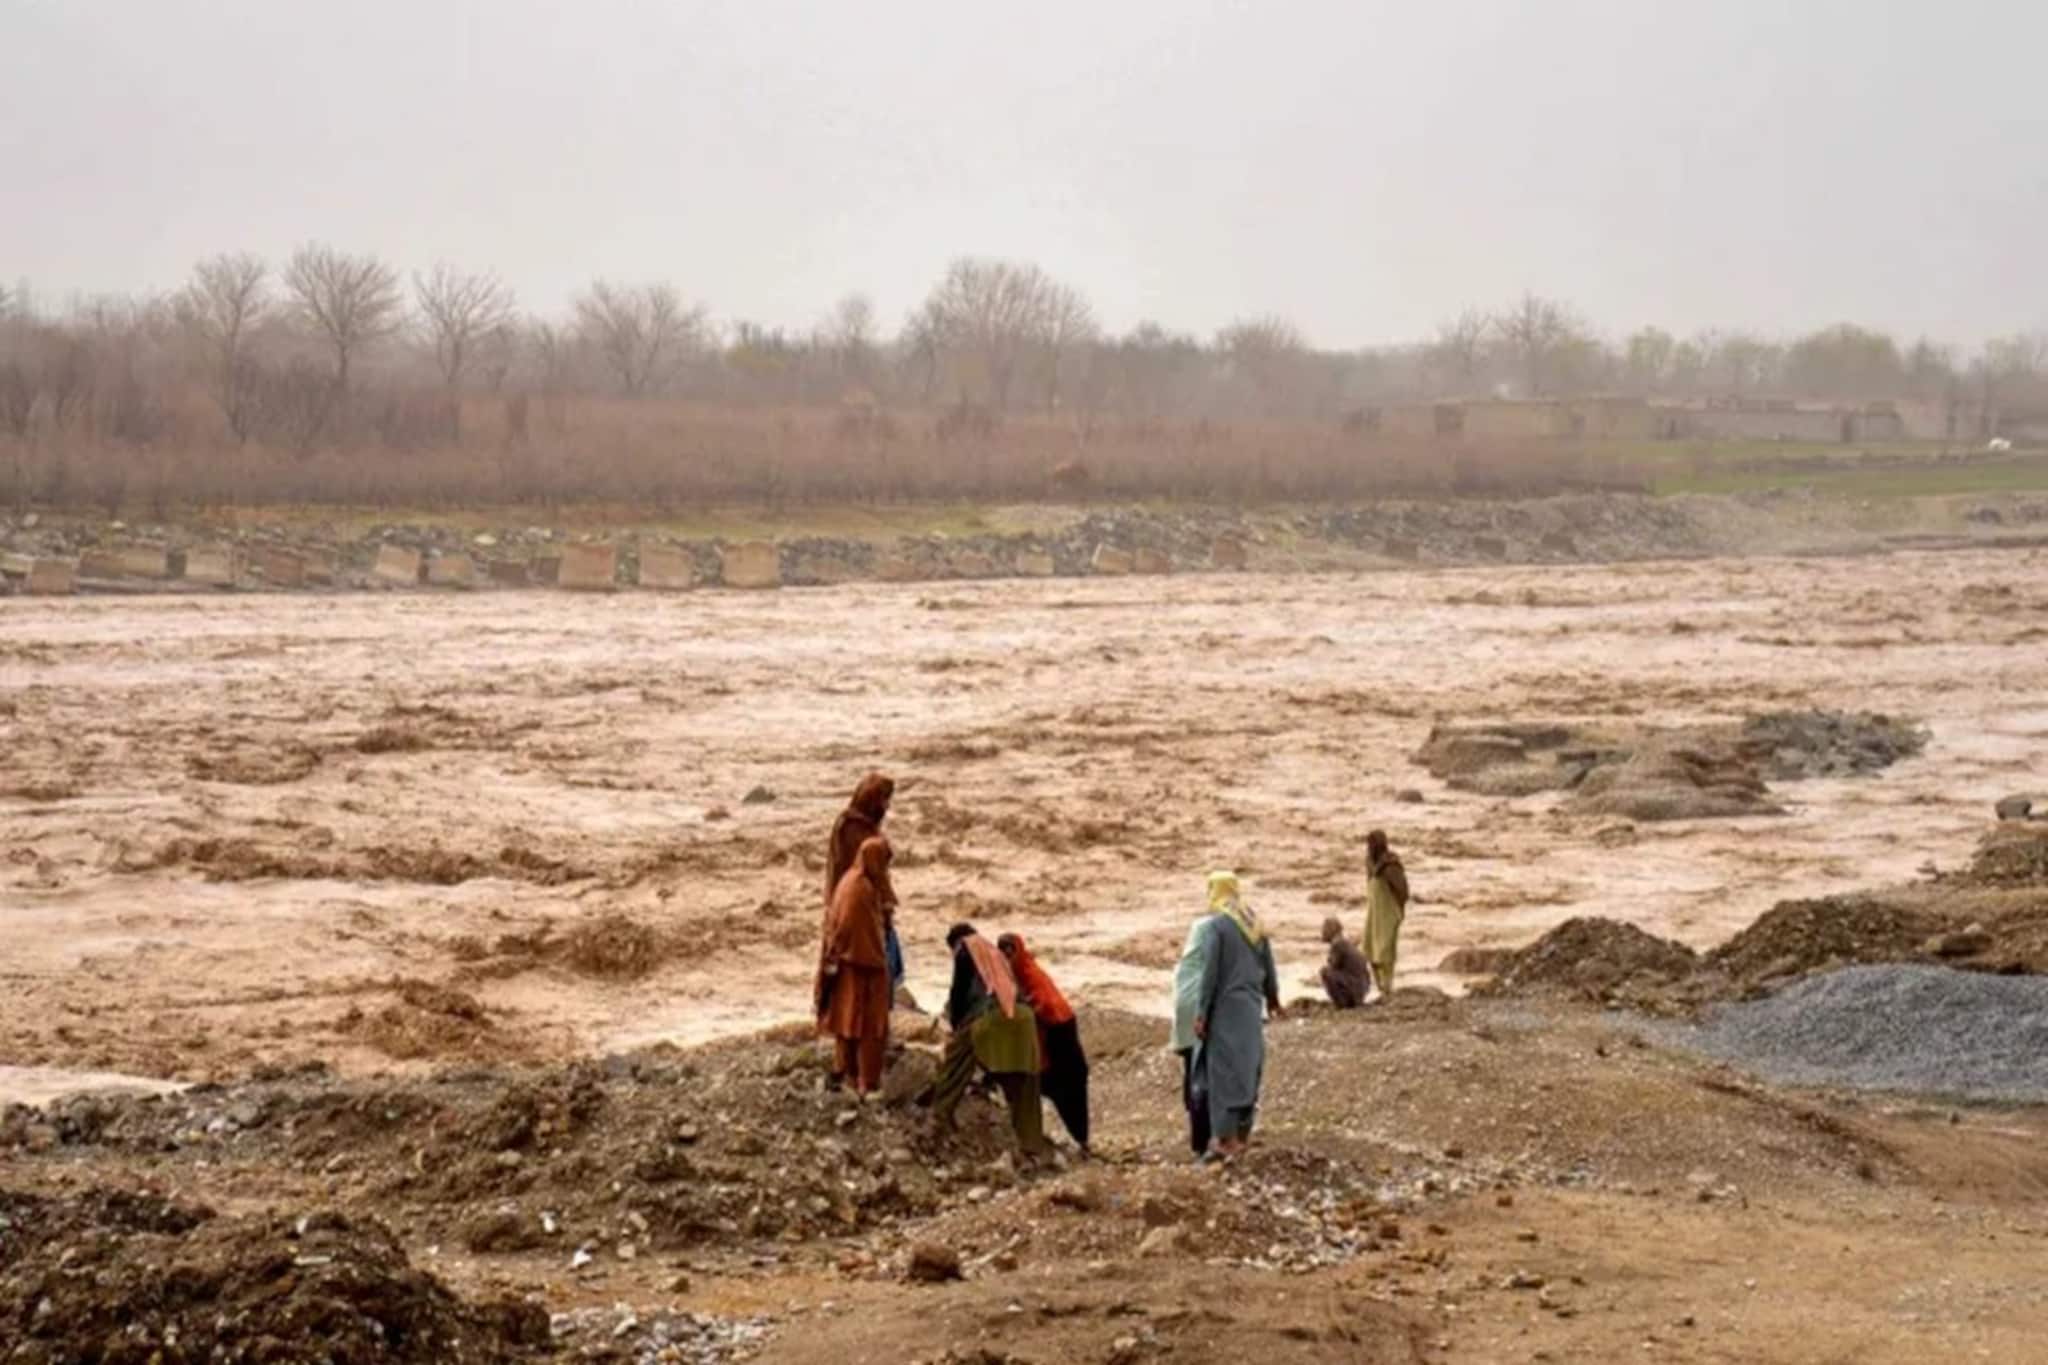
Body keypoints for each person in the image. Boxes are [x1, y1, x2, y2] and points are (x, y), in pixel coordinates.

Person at [929, 923, 1048, 1157]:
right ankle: (1032, 1146)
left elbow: (959, 993)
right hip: (1024, 1020)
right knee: (1023, 1084)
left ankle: (938, 1120)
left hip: (992, 1015)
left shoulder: (967, 947)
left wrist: (956, 1026)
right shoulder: (997, 954)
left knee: (956, 1063)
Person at [1193, 871, 1281, 1159]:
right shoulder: (1253, 923)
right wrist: (1273, 999)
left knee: (1222, 1074)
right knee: (1247, 1070)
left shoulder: (1215, 926)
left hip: (1225, 1010)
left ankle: (1225, 1139)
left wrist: (1201, 1012)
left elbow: (1209, 974)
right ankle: (1243, 1136)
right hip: (1251, 1008)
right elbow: (1269, 965)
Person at [815, 836, 893, 1098]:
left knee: (848, 1023)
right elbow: (857, 930)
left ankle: (848, 1076)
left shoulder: (851, 880)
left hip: (847, 966)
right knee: (870, 1028)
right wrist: (879, 959)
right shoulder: (859, 890)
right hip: (862, 969)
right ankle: (867, 1083)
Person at [998, 932, 1090, 1155]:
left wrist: (1028, 1009)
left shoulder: (1030, 974)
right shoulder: (1016, 976)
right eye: (1004, 952)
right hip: (1050, 1033)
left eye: (1012, 951)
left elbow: (1047, 1004)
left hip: (1060, 1031)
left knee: (1067, 1085)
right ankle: (1077, 1139)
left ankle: (1081, 1139)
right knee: (1050, 1085)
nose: (1008, 957)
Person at [825, 774, 904, 994]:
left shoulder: (869, 826)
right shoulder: (849, 827)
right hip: (853, 906)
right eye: (884, 800)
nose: (887, 807)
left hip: (869, 902)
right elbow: (856, 869)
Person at [1169, 891, 1218, 1159]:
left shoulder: (1186, 964)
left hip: (1184, 1025)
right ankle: (1203, 1140)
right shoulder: (1211, 936)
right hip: (1198, 1018)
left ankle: (1197, 1140)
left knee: (1191, 1075)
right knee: (1203, 1079)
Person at [1364, 829, 1410, 1000]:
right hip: (1374, 912)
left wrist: (1399, 911)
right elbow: (1370, 884)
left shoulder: (1391, 865)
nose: (1369, 848)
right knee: (1369, 949)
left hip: (1389, 912)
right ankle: (1380, 987)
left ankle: (1387, 987)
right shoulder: (1369, 863)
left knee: (1385, 952)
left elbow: (1403, 890)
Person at [1319, 916, 1371, 1009]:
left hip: (1355, 988)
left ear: (1331, 930)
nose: (1322, 933)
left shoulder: (1338, 944)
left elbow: (1333, 966)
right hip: (1361, 988)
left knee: (1325, 972)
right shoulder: (1345, 943)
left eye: (1324, 929)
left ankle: (1342, 1004)